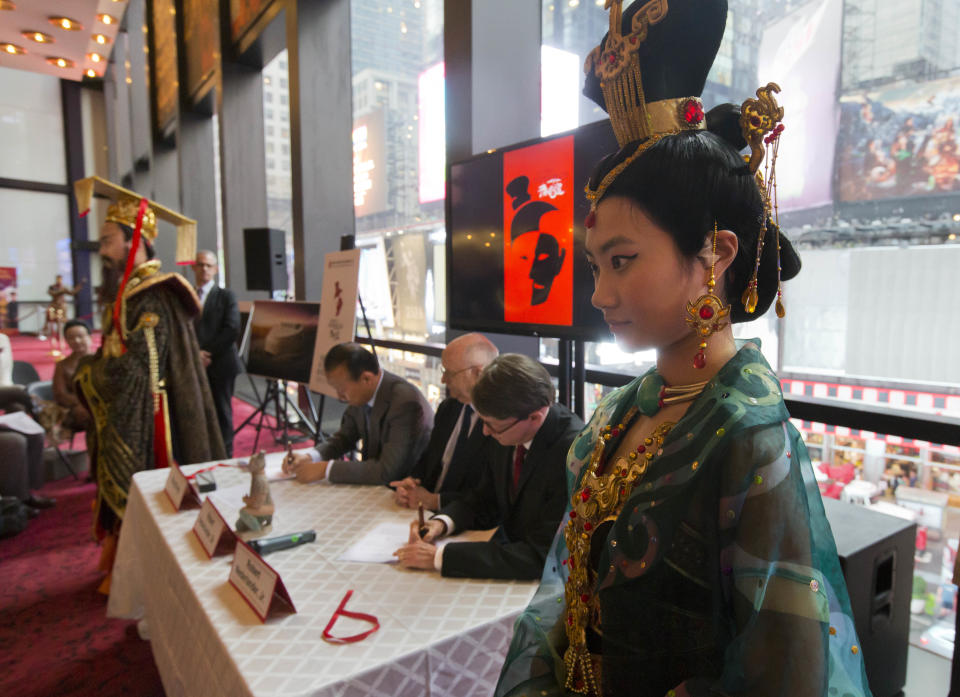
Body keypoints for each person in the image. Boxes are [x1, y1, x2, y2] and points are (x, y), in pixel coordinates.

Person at [494, 2, 872, 696]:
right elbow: (564, 605)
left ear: (716, 252)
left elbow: (784, 674)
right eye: (596, 264)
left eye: (622, 259)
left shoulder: (750, 440)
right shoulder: (616, 417)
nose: (601, 293)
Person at [72, 176, 225, 582]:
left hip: (148, 417)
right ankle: (123, 569)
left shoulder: (153, 295)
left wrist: (89, 373)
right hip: (129, 410)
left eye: (107, 240)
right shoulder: (129, 293)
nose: (102, 249)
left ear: (133, 239)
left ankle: (142, 577)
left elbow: (141, 369)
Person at [393, 353, 583, 580]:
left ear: (534, 417)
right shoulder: (507, 429)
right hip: (509, 559)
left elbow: (543, 555)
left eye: (492, 426)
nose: (485, 432)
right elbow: (484, 498)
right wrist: (441, 523)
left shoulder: (573, 453)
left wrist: (440, 556)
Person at [284, 342, 432, 485]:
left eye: (342, 390)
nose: (339, 396)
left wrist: (326, 469)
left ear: (366, 379)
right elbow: (344, 438)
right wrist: (311, 457)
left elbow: (387, 471)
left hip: (406, 490)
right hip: (377, 486)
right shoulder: (362, 394)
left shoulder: (405, 403)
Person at [390, 332, 499, 510]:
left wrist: (434, 501)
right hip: (423, 513)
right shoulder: (449, 408)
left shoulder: (501, 422)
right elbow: (428, 461)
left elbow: (490, 496)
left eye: (449, 372)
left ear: (478, 373)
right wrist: (411, 483)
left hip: (466, 523)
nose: (443, 380)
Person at [192, 250, 243, 456]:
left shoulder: (226, 296)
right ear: (193, 267)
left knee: (222, 412)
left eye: (208, 265)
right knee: (199, 412)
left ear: (215, 269)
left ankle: (225, 456)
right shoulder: (188, 296)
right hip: (195, 364)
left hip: (220, 364)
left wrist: (206, 352)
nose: (204, 269)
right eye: (200, 264)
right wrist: (195, 354)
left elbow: (232, 329)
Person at [51, 319, 94, 433]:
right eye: (71, 338)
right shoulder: (62, 365)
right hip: (76, 408)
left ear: (90, 337)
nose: (77, 341)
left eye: (81, 336)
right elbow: (61, 395)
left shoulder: (102, 359)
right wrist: (86, 403)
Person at [42, 274, 83, 353]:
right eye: (58, 279)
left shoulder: (63, 287)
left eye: (60, 279)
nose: (59, 280)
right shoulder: (53, 287)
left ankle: (62, 333)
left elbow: (72, 292)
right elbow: (51, 293)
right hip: (54, 305)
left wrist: (80, 285)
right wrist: (60, 291)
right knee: (48, 312)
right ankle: (46, 326)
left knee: (63, 318)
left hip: (61, 305)